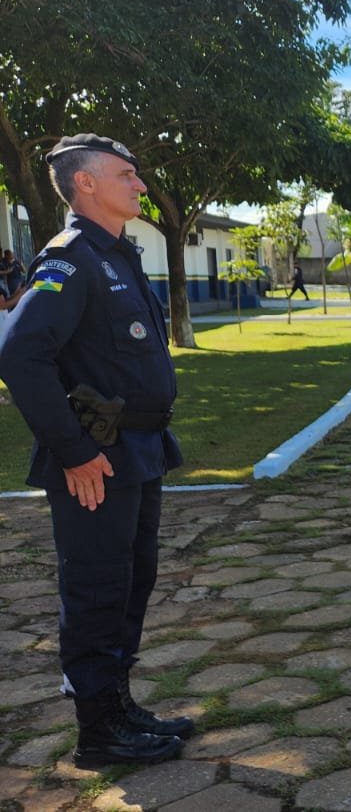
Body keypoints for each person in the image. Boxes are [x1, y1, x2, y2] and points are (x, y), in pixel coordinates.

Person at [0, 134, 189, 766]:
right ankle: (98, 730)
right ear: (85, 183)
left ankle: (118, 705)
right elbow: (20, 355)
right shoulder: (70, 259)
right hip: (97, 458)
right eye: (126, 174)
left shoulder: (118, 255)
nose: (140, 184)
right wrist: (74, 450)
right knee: (97, 588)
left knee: (131, 581)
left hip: (137, 450)